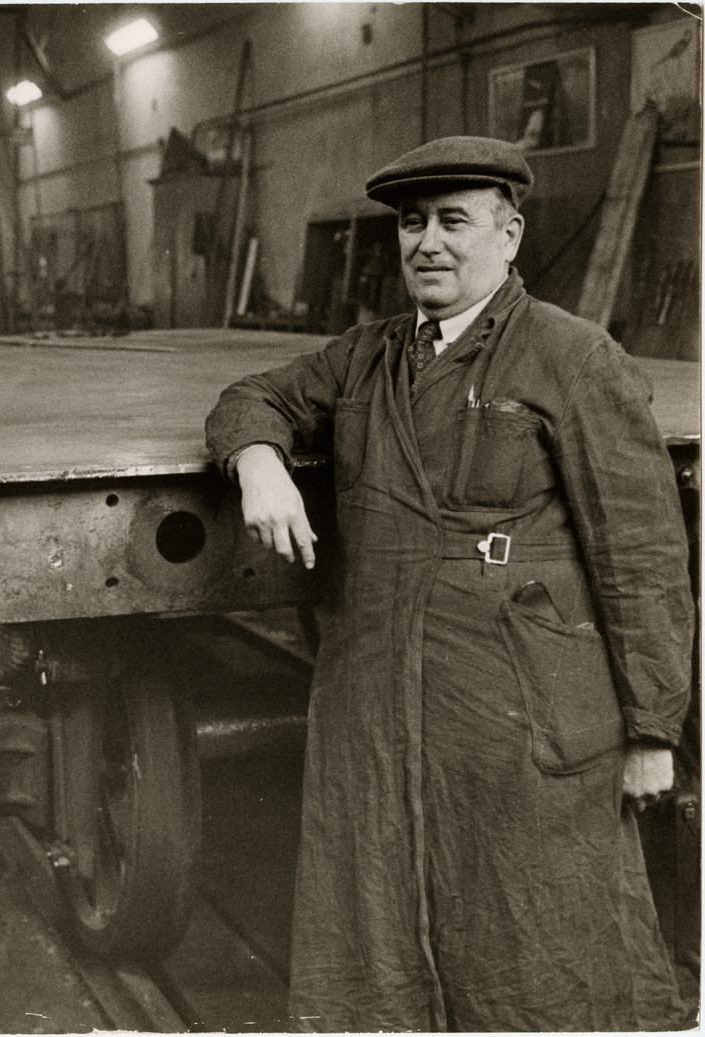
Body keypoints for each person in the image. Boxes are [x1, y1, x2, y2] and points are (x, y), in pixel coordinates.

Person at [206, 136, 693, 1031]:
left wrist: (653, 727)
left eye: (453, 221)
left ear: (509, 236)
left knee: (536, 926)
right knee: (379, 904)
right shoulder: (368, 354)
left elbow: (643, 555)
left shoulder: (573, 357)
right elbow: (249, 396)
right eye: (411, 223)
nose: (427, 242)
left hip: (517, 702)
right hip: (377, 687)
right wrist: (258, 461)